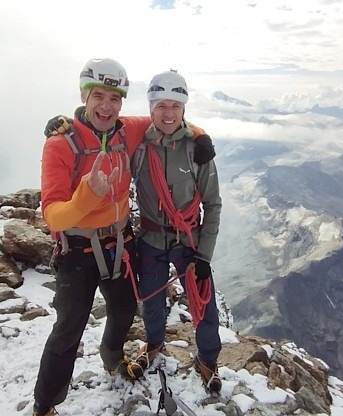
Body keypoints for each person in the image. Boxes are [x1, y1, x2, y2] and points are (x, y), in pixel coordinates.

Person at [33, 59, 215, 416]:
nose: (106, 106)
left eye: (114, 98)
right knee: (68, 331)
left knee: (123, 310)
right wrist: (85, 197)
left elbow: (167, 119)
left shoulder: (125, 130)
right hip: (78, 250)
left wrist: (201, 135)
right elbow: (52, 213)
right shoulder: (61, 144)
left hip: (120, 244)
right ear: (84, 96)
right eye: (98, 96)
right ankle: (45, 405)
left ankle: (113, 359)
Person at [131, 70, 223, 393]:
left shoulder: (196, 149)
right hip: (152, 238)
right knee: (152, 301)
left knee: (204, 302)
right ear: (151, 107)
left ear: (184, 108)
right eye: (161, 106)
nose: (168, 113)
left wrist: (204, 255)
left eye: (175, 106)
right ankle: (154, 344)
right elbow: (104, 130)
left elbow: (212, 204)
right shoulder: (139, 146)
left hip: (189, 240)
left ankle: (207, 358)